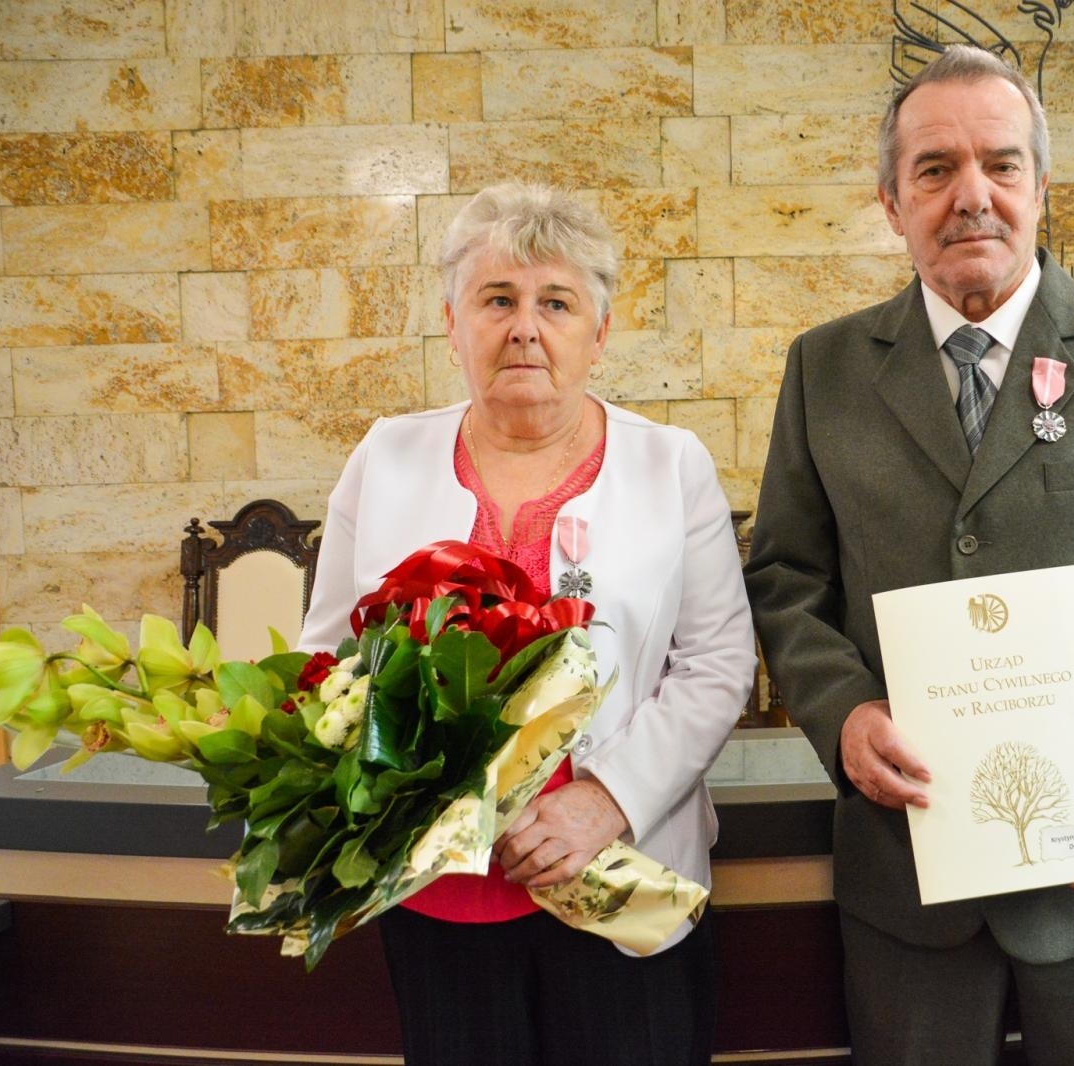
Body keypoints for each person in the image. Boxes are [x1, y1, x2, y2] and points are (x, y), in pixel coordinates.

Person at [743, 45, 1074, 1066]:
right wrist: (841, 711)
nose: (970, 195)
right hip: (907, 875)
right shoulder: (825, 369)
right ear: (891, 201)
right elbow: (785, 583)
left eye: (1000, 163)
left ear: (1039, 188)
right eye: (934, 169)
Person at [299, 182, 756, 1066]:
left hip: (621, 881)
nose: (525, 328)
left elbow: (717, 663)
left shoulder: (671, 466)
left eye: (556, 303)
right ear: (452, 321)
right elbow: (327, 657)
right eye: (497, 300)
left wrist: (609, 798)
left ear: (601, 330)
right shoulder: (383, 460)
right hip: (438, 892)